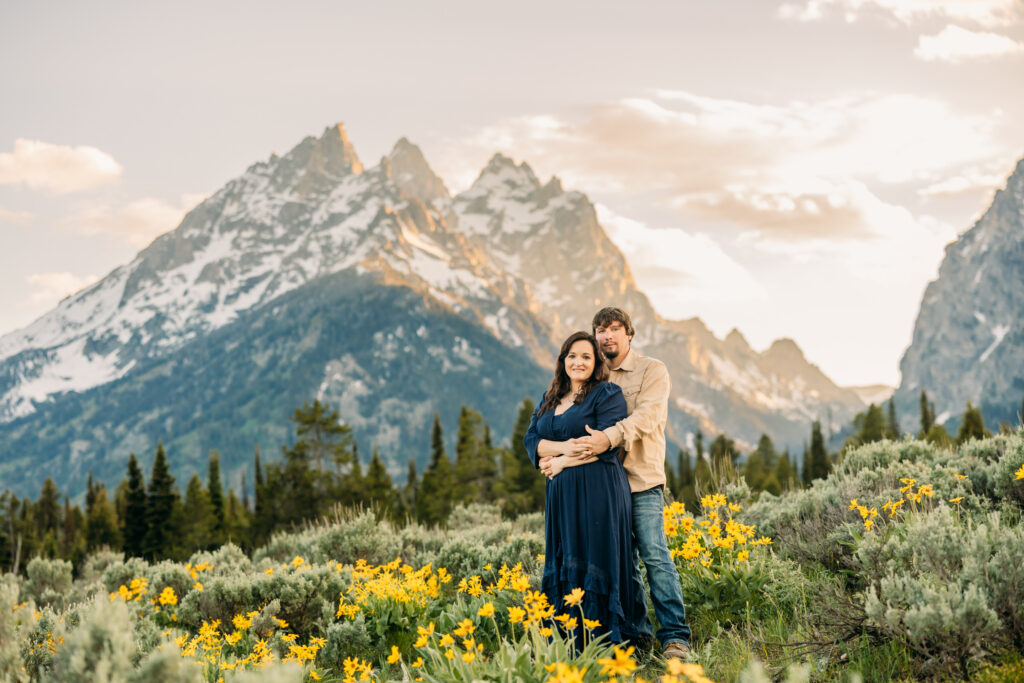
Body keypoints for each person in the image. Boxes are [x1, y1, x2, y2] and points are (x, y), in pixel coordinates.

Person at [572, 307, 693, 660]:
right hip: (603, 487)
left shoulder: (651, 370)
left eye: (613, 329)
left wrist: (609, 437)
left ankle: (675, 638)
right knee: (622, 565)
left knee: (654, 556)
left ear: (629, 333)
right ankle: (638, 638)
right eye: (600, 330)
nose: (606, 336)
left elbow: (647, 417)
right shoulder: (592, 375)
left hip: (641, 481)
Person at [524, 331, 632, 648]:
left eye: (586, 356)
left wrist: (560, 462)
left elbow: (601, 446)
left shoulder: (606, 395)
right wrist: (559, 448)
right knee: (564, 556)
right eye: (572, 355)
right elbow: (531, 441)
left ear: (596, 362)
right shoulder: (551, 398)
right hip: (561, 498)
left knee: (593, 558)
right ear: (563, 360)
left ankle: (600, 645)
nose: (578, 362)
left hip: (599, 490)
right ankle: (565, 642)